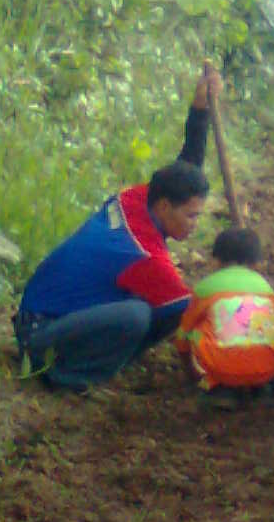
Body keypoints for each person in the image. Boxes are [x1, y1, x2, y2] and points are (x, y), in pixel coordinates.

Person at [14, 70, 220, 392]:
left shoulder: (136, 198)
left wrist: (200, 109)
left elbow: (185, 170)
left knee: (148, 308)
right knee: (140, 315)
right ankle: (67, 377)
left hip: (59, 313)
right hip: (41, 334)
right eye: (192, 216)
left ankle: (102, 358)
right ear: (165, 207)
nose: (196, 224)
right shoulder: (143, 253)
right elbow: (191, 312)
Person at [175, 228, 274, 407]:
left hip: (222, 369)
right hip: (267, 369)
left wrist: (189, 370)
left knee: (194, 329)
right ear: (257, 264)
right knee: (271, 330)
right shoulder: (266, 288)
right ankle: (262, 389)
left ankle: (220, 389)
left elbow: (183, 335)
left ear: (215, 261)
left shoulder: (205, 288)